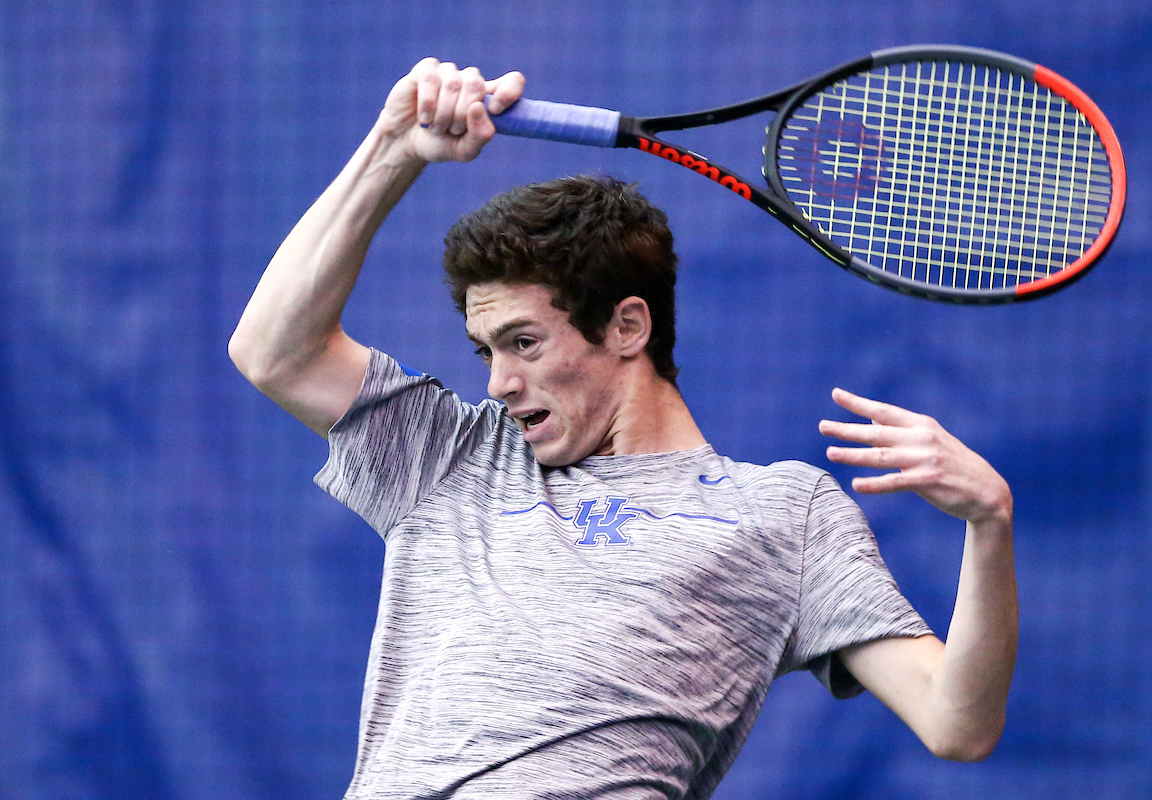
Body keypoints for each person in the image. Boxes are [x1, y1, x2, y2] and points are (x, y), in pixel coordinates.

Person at [229, 58, 1018, 799]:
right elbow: (275, 353)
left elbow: (958, 722)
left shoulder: (787, 516)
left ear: (627, 326)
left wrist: (988, 524)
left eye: (524, 344)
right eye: (486, 350)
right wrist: (393, 148)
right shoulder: (453, 458)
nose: (498, 381)